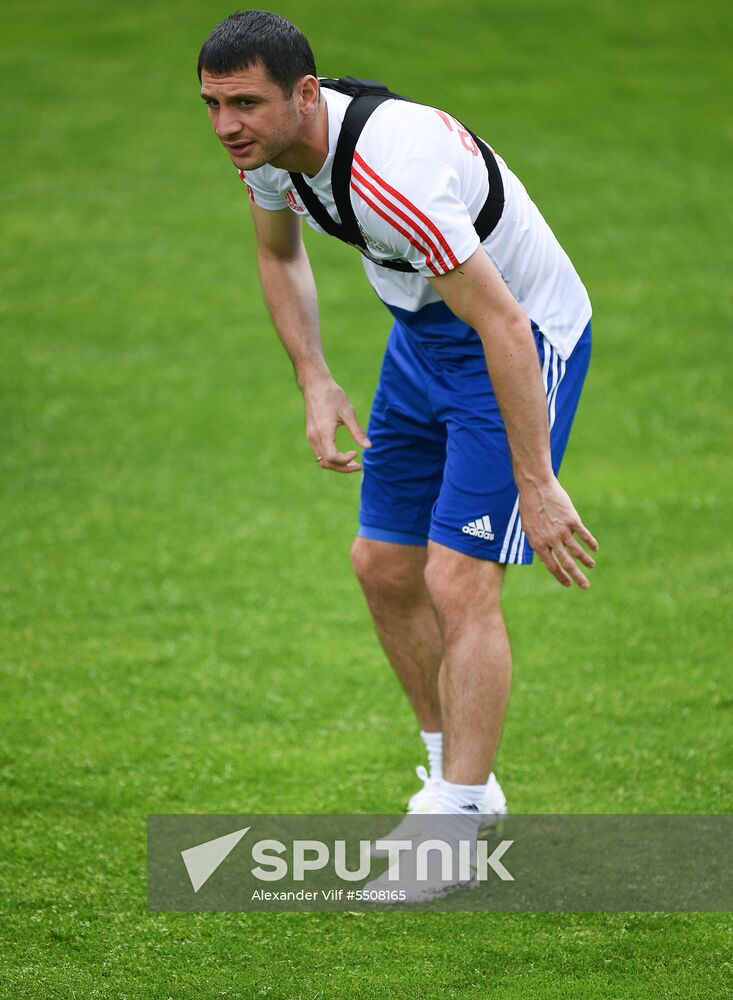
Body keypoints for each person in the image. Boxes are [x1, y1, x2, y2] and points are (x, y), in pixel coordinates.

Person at [197, 11, 598, 831]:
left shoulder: (394, 176)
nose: (226, 126)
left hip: (518, 338)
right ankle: (458, 779)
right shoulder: (271, 157)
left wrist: (537, 482)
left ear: (306, 94)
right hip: (421, 340)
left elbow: (504, 326)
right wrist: (314, 377)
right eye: (211, 104)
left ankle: (451, 821)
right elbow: (278, 254)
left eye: (244, 103)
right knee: (382, 564)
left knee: (458, 578)